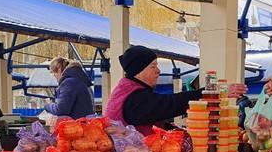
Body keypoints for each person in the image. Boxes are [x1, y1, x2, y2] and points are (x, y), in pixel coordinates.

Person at [104, 45, 245, 134]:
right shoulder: (134, 99)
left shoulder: (129, 91)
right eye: (153, 66)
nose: (158, 71)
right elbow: (171, 104)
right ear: (138, 71)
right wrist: (212, 94)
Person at [45, 56, 95, 120]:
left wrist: (48, 105)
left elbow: (61, 110)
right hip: (85, 122)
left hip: (76, 124)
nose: (55, 78)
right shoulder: (80, 80)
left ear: (59, 70)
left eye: (54, 74)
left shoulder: (69, 83)